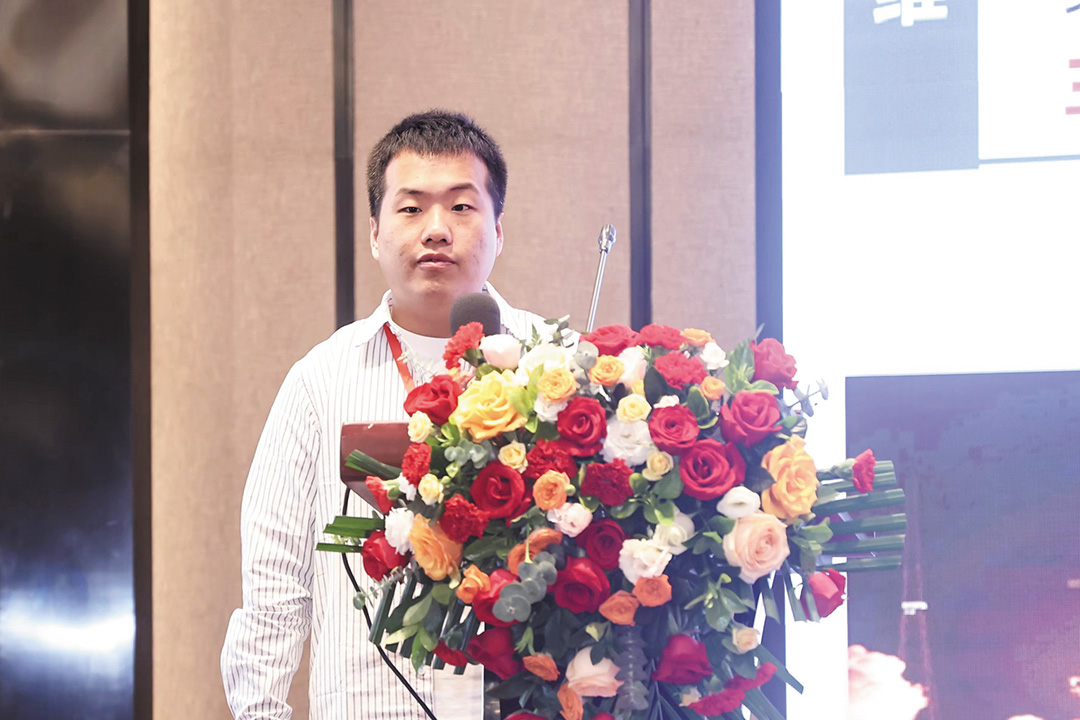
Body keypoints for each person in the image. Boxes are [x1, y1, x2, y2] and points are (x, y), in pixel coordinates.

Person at [221, 111, 548, 720]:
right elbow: (274, 584)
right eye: (411, 208)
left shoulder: (554, 366)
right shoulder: (320, 381)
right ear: (374, 233)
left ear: (499, 230)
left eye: (461, 207)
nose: (437, 230)